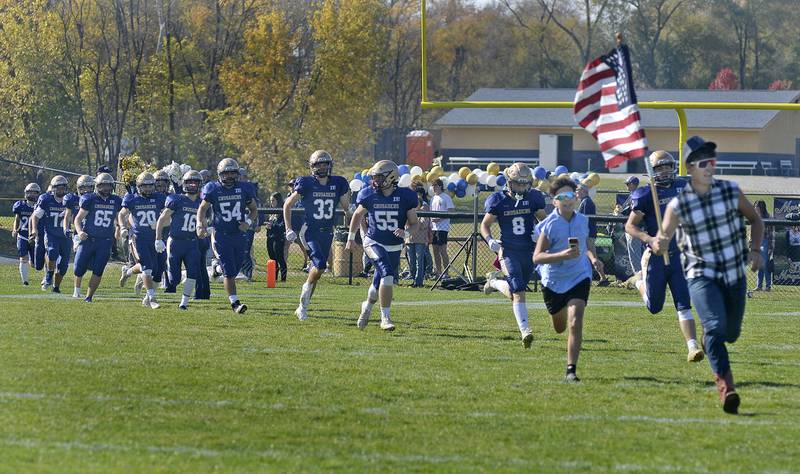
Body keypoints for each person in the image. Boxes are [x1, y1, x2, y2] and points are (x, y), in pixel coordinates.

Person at [654, 136, 764, 414]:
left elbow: (755, 219)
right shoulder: (678, 204)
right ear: (690, 167)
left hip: (733, 273)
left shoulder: (730, 191)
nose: (709, 166)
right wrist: (658, 243)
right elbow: (663, 236)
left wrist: (755, 249)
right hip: (701, 274)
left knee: (731, 333)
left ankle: (711, 339)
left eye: (712, 161)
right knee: (714, 329)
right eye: (703, 161)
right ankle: (727, 389)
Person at [624, 151, 704, 363]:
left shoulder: (684, 187)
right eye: (659, 168)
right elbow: (630, 226)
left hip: (680, 255)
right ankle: (639, 281)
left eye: (668, 166)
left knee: (683, 303)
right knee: (654, 307)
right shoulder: (645, 194)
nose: (665, 171)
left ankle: (692, 347)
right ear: (651, 171)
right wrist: (650, 240)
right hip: (656, 256)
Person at [534, 177, 604, 382]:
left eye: (571, 195)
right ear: (554, 200)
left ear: (576, 197)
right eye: (562, 196)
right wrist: (562, 255)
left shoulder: (582, 220)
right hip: (553, 280)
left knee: (576, 322)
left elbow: (587, 245)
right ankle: (559, 310)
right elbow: (537, 257)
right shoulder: (549, 225)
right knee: (560, 327)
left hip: (579, 276)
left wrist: (594, 259)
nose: (567, 199)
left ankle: (571, 370)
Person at [346, 160, 419, 331]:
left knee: (377, 284)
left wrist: (406, 233)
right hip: (374, 241)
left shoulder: (406, 196)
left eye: (379, 177)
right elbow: (357, 215)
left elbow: (415, 224)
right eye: (375, 177)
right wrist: (351, 238)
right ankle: (385, 318)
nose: (375, 181)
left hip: (394, 245)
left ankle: (367, 307)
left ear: (391, 177)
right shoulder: (368, 194)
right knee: (387, 276)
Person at [480, 163, 547, 347]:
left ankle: (493, 282)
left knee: (515, 293)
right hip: (508, 251)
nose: (522, 188)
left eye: (525, 184)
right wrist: (490, 240)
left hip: (528, 251)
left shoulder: (533, 197)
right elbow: (485, 225)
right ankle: (525, 331)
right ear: (509, 182)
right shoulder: (499, 200)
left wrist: (539, 232)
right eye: (518, 184)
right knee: (518, 290)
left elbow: (545, 221)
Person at [283, 150, 350, 320]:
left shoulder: (338, 183)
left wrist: (355, 217)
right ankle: (304, 297)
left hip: (327, 232)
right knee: (320, 265)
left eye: (325, 163)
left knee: (317, 271)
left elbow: (346, 207)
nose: (322, 167)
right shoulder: (306, 183)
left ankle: (302, 306)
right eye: (318, 164)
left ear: (330, 165)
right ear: (312, 167)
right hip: (310, 230)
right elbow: (287, 205)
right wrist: (288, 228)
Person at [196, 158, 258, 314]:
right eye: (226, 173)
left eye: (232, 173)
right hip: (221, 235)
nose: (229, 176)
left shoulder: (244, 189)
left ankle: (216, 267)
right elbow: (202, 209)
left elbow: (254, 210)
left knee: (236, 268)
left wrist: (248, 222)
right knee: (230, 272)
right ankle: (235, 303)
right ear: (219, 174)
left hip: (239, 234)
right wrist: (199, 224)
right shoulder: (213, 189)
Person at [155, 170, 203, 310]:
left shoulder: (202, 203)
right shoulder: (176, 200)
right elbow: (162, 219)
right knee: (174, 280)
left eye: (195, 182)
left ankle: (184, 303)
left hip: (192, 242)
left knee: (193, 272)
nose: (192, 185)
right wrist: (158, 238)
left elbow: (204, 222)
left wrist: (206, 230)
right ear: (184, 184)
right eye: (189, 182)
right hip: (176, 242)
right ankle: (149, 294)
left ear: (199, 184)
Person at [71, 173, 123, 302]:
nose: (106, 188)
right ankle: (76, 290)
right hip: (88, 239)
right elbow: (78, 219)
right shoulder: (90, 199)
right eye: (103, 185)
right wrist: (79, 232)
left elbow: (119, 218)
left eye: (108, 185)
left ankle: (89, 297)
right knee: (78, 268)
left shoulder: (116, 200)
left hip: (105, 241)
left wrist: (119, 228)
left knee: (99, 269)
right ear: (97, 186)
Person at [118, 172, 166, 309]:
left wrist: (160, 223)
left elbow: (168, 215)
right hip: (139, 238)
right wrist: (122, 227)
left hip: (156, 238)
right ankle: (152, 298)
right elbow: (122, 214)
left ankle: (128, 272)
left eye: (151, 186)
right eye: (145, 186)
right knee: (147, 267)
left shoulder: (159, 198)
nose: (149, 189)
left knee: (159, 269)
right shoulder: (131, 199)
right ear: (138, 187)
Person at [30, 175, 72, 293]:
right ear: (53, 188)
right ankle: (49, 274)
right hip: (51, 233)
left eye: (63, 188)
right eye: (58, 188)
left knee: (63, 266)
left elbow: (77, 217)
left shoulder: (69, 200)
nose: (61, 190)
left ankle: (56, 287)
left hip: (65, 235)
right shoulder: (46, 199)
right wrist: (34, 229)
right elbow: (35, 217)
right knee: (52, 252)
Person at [64, 175, 97, 298]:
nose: (86, 190)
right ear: (78, 188)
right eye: (83, 188)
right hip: (79, 234)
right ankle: (76, 290)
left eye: (89, 187)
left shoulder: (96, 198)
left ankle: (87, 288)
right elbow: (67, 215)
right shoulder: (72, 199)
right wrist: (66, 228)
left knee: (92, 264)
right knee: (79, 262)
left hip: (93, 234)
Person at [12, 183, 40, 286]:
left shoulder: (39, 206)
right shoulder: (20, 205)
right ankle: (25, 281)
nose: (32, 195)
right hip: (22, 235)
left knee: (34, 264)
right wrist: (15, 229)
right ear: (26, 193)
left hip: (34, 237)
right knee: (23, 258)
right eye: (30, 192)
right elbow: (17, 219)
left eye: (34, 192)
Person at [405, 188, 432, 288]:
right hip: (409, 239)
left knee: (419, 261)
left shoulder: (424, 208)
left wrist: (414, 222)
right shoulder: (408, 210)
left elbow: (424, 224)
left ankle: (418, 281)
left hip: (420, 239)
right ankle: (413, 279)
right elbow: (405, 224)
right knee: (411, 261)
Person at [430, 178, 455, 278]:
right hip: (434, 228)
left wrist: (439, 219)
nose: (434, 188)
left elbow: (451, 211)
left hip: (442, 228)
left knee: (442, 250)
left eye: (435, 185)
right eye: (433, 186)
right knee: (435, 250)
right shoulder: (433, 198)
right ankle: (439, 273)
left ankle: (446, 273)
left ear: (440, 186)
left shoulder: (446, 197)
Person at [622, 176, 645, 275]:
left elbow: (631, 210)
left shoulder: (636, 195)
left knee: (635, 255)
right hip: (636, 228)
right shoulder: (634, 194)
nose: (626, 186)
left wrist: (620, 212)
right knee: (636, 253)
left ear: (632, 184)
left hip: (634, 228)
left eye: (627, 184)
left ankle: (639, 276)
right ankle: (640, 275)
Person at [285, 179, 309, 271]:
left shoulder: (301, 197)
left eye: (293, 185)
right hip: (291, 226)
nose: (292, 187)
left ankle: (306, 263)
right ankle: (284, 264)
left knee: (303, 246)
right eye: (290, 185)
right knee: (286, 245)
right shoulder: (287, 198)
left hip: (300, 226)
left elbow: (302, 209)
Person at [266, 192, 288, 281]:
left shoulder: (282, 210)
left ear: (278, 200)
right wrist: (268, 226)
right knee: (272, 259)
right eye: (270, 201)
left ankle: (283, 279)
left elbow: (283, 225)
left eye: (273, 200)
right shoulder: (271, 211)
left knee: (280, 258)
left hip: (278, 238)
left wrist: (273, 226)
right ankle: (273, 278)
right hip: (270, 237)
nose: (272, 203)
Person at [753, 200, 773, 292]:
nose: (755, 209)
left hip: (765, 241)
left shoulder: (768, 217)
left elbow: (772, 234)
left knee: (764, 264)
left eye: (757, 208)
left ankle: (768, 286)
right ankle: (759, 286)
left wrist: (770, 247)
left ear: (762, 208)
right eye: (755, 207)